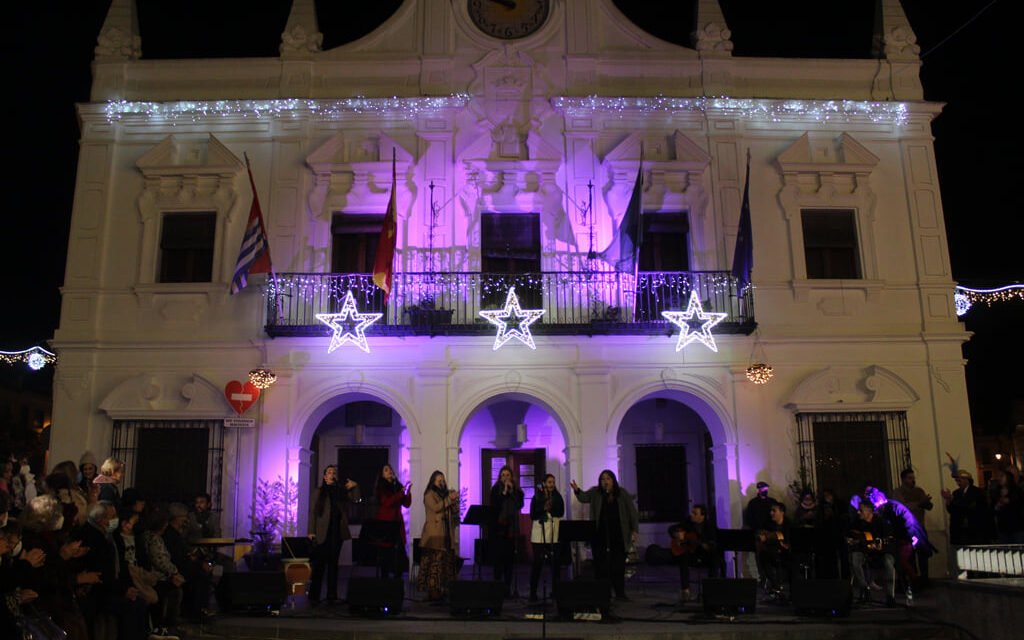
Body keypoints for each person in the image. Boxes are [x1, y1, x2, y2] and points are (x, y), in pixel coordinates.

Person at [571, 469, 638, 601]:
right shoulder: (596, 492)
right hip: (600, 535)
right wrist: (577, 490)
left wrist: (634, 530)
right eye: (603, 479)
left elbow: (632, 513)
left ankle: (620, 594)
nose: (605, 481)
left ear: (613, 480)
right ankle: (603, 593)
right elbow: (584, 497)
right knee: (601, 566)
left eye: (608, 479)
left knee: (618, 566)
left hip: (619, 535)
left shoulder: (622, 493)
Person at [308, 465, 360, 604]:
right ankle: (314, 596)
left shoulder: (340, 492)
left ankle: (332, 595)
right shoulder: (318, 492)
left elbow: (356, 500)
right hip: (321, 533)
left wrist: (355, 486)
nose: (332, 474)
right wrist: (311, 531)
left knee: (333, 565)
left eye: (334, 472)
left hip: (337, 533)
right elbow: (312, 513)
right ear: (324, 476)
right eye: (329, 472)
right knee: (319, 566)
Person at [418, 470, 459, 602]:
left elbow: (454, 512)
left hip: (446, 532)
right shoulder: (429, 494)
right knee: (434, 563)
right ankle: (433, 590)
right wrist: (449, 500)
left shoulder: (445, 495)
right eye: (439, 480)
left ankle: (443, 589)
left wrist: (455, 503)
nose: (442, 482)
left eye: (443, 480)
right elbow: (435, 508)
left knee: (445, 563)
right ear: (433, 482)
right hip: (434, 534)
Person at [847, 501, 897, 606]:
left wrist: (880, 544)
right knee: (855, 558)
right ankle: (864, 588)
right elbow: (850, 534)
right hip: (865, 551)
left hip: (881, 551)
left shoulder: (881, 522)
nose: (858, 512)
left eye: (861, 510)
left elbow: (890, 539)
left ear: (869, 511)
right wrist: (851, 540)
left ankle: (890, 596)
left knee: (888, 562)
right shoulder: (857, 522)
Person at [668, 504, 719, 603]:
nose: (692, 515)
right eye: (692, 512)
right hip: (691, 553)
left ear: (702, 516)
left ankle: (711, 590)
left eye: (695, 513)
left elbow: (713, 542)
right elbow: (671, 528)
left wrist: (708, 546)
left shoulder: (710, 526)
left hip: (704, 554)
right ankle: (685, 590)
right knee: (683, 558)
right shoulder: (688, 522)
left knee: (715, 559)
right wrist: (676, 534)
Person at [891, 468, 934, 582]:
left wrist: (926, 503)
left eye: (913, 478)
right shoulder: (898, 492)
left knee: (923, 555)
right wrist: (919, 503)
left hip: (920, 528)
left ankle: (925, 579)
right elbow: (902, 508)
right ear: (903, 479)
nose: (913, 480)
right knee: (909, 557)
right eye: (910, 478)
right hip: (907, 530)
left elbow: (929, 506)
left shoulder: (919, 491)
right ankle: (913, 580)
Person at [488, 465, 524, 595]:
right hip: (498, 528)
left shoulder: (517, 492)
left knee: (509, 560)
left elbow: (520, 505)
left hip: (511, 528)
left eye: (507, 475)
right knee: (498, 559)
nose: (505, 477)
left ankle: (507, 588)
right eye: (503, 475)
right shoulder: (495, 490)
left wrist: (511, 492)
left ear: (511, 477)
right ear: (499, 477)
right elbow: (495, 505)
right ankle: (497, 587)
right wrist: (503, 493)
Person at [528, 473, 564, 602]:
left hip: (553, 534)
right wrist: (543, 508)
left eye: (553, 482)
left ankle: (556, 591)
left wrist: (551, 507)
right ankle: (533, 593)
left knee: (555, 565)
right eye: (549, 482)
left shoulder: (557, 497)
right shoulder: (537, 497)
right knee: (537, 564)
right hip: (539, 534)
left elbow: (560, 511)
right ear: (544, 483)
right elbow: (532, 514)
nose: (551, 484)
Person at [373, 464, 412, 578]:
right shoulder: (381, 487)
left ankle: (397, 586)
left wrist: (407, 493)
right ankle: (385, 586)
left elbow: (406, 504)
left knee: (399, 557)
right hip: (386, 524)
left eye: (390, 469)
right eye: (386, 470)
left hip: (397, 524)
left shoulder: (397, 485)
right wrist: (400, 493)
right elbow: (387, 503)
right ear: (382, 475)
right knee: (386, 557)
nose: (389, 471)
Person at [941, 469, 989, 545]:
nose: (958, 483)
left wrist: (953, 499)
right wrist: (948, 501)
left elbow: (970, 507)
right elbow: (952, 511)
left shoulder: (977, 492)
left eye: (959, 481)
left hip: (974, 528)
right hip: (959, 529)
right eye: (957, 481)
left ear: (967, 480)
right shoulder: (956, 493)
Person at [756, 502, 792, 600]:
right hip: (772, 552)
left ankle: (786, 588)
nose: (771, 513)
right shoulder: (768, 524)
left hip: (786, 554)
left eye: (774, 511)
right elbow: (761, 534)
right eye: (771, 511)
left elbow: (788, 542)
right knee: (763, 555)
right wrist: (763, 538)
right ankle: (775, 585)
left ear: (782, 512)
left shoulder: (789, 524)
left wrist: (784, 545)